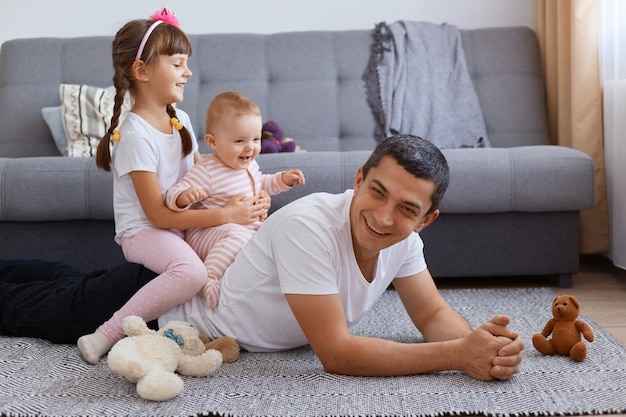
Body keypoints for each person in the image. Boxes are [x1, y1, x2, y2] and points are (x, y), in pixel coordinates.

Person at [0, 135, 524, 381]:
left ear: (425, 219)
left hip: (154, 283)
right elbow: (337, 354)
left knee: (61, 278)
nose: (384, 217)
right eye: (378, 193)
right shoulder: (309, 226)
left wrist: (481, 344)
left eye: (407, 208)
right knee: (33, 306)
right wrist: (458, 356)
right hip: (157, 311)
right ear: (359, 179)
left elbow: (431, 314)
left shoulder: (405, 241)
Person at [78, 10, 270, 365]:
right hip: (147, 231)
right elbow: (157, 215)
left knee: (243, 241)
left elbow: (203, 172)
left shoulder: (178, 119)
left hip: (181, 226)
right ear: (143, 71)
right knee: (193, 272)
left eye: (187, 64)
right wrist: (226, 213)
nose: (188, 72)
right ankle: (106, 334)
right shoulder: (136, 136)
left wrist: (241, 202)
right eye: (179, 64)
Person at [165, 91, 305, 307]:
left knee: (280, 232)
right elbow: (174, 193)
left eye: (256, 139)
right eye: (239, 141)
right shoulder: (208, 170)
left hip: (246, 231)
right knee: (238, 236)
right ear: (213, 142)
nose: (250, 147)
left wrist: (284, 180)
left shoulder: (250, 165)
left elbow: (263, 183)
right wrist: (185, 196)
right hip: (208, 234)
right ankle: (207, 278)